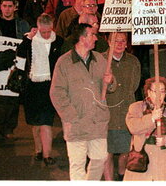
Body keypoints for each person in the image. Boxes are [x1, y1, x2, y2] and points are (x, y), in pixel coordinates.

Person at [49, 23, 116, 180]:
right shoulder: (64, 62)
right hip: (76, 124)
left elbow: (111, 88)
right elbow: (56, 93)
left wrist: (111, 81)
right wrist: (72, 116)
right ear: (82, 38)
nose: (96, 38)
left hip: (97, 122)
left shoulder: (100, 59)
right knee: (77, 164)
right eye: (92, 34)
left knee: (100, 158)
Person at [14, 13, 64, 165]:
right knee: (35, 123)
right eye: (43, 32)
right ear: (38, 27)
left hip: (50, 86)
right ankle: (38, 150)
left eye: (49, 31)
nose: (47, 34)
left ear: (52, 27)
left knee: (46, 121)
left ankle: (47, 155)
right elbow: (19, 54)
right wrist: (28, 38)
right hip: (32, 87)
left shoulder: (59, 42)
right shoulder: (30, 40)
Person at [0, 0, 31, 144]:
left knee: (13, 99)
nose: (7, 9)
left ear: (15, 8)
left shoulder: (23, 25)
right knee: (0, 99)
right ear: (0, 7)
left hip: (16, 66)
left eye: (10, 6)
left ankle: (9, 129)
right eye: (4, 6)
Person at [123, 76, 166, 181]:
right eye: (155, 91)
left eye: (162, 91)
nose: (159, 95)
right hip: (143, 157)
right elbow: (133, 127)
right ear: (148, 92)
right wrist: (151, 118)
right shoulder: (136, 107)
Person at [104, 32, 141, 181]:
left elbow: (135, 85)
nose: (119, 44)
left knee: (125, 150)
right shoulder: (100, 60)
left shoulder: (133, 61)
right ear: (108, 42)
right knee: (106, 152)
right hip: (107, 113)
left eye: (123, 41)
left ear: (127, 43)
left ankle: (121, 177)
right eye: (115, 41)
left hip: (126, 113)